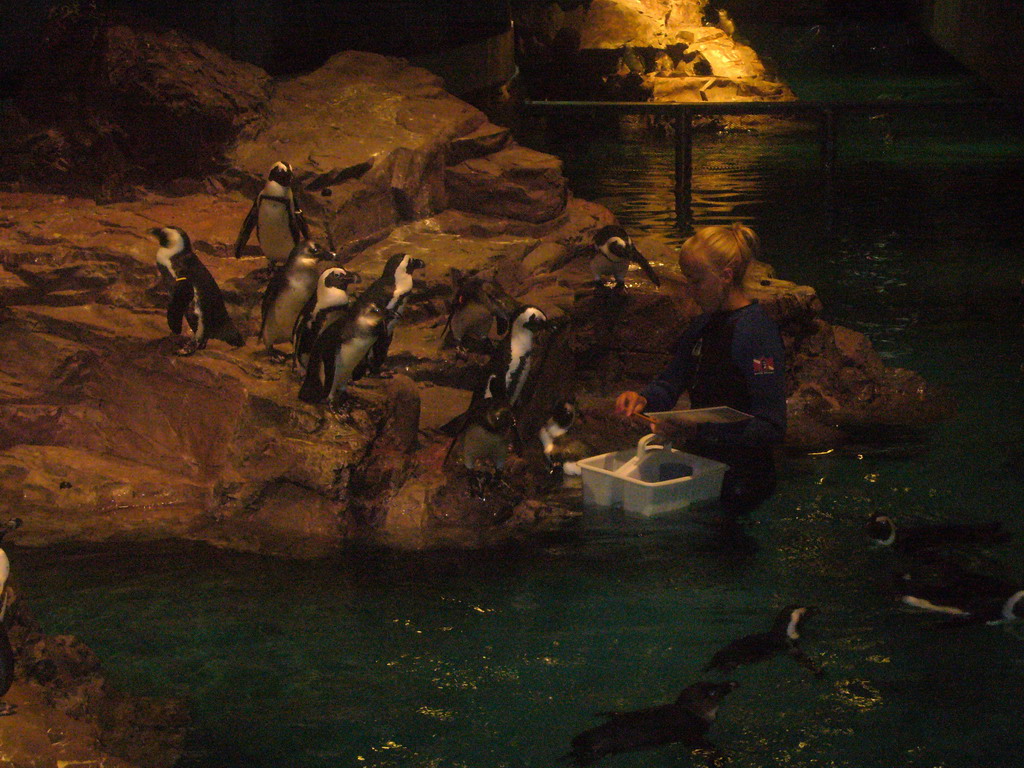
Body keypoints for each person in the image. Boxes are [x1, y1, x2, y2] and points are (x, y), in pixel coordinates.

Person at [615, 223, 786, 517]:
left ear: (725, 276)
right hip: (704, 471)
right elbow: (672, 381)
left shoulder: (756, 334)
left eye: (695, 282)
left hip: (745, 480)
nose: (689, 292)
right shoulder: (702, 327)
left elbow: (771, 426)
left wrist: (699, 428)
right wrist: (644, 399)